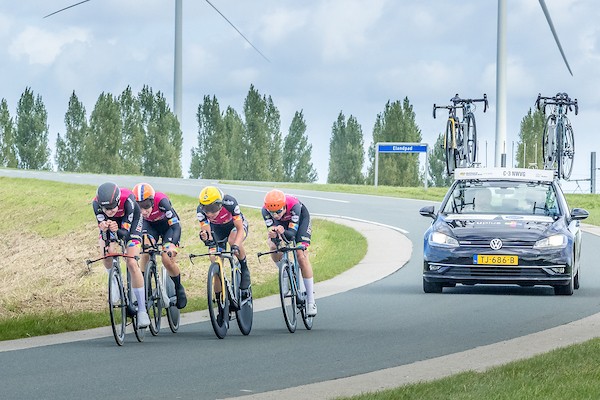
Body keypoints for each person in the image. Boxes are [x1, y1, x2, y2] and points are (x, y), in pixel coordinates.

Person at [92, 182, 150, 328]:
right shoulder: (96, 205)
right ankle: (114, 282)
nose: (110, 211)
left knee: (131, 261)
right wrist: (104, 228)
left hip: (131, 222)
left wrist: (117, 230)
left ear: (118, 201)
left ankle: (142, 310)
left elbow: (124, 233)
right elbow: (104, 231)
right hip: (112, 225)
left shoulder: (129, 200)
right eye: (106, 208)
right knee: (106, 252)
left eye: (112, 207)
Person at [262, 189, 317, 317]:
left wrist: (282, 232)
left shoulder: (294, 206)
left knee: (300, 255)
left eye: (278, 211)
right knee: (273, 246)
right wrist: (274, 234)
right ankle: (285, 272)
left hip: (300, 221)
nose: (275, 215)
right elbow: (272, 231)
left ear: (284, 206)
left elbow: (291, 235)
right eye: (272, 213)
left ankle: (310, 300)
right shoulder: (265, 210)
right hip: (282, 225)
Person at [132, 182, 187, 309]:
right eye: (139, 207)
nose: (143, 211)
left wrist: (172, 245)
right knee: (146, 248)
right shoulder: (139, 212)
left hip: (168, 228)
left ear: (152, 202)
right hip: (150, 227)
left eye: (146, 206)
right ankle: (146, 287)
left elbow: (176, 226)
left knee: (167, 259)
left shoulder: (162, 201)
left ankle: (179, 288)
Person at [197, 186, 251, 290]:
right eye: (206, 209)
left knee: (233, 240)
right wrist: (205, 237)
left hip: (235, 227)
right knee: (214, 259)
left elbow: (240, 229)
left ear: (220, 204)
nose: (209, 214)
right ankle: (220, 296)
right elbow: (208, 234)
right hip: (218, 230)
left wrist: (235, 245)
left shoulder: (230, 203)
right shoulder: (200, 211)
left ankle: (244, 269)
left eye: (212, 209)